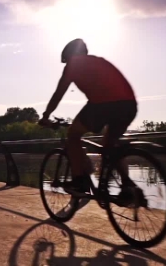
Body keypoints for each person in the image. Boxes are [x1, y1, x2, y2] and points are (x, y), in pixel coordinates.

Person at [38, 38, 138, 197]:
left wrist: (46, 116)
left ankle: (79, 181)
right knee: (110, 145)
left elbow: (59, 93)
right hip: (129, 105)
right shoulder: (100, 61)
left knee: (73, 135)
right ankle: (128, 185)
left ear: (68, 56)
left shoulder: (73, 64)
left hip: (103, 105)